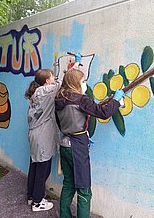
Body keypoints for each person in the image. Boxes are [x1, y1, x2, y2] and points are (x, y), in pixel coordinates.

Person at [55, 65, 125, 218]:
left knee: (68, 183)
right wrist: (116, 100)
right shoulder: (81, 99)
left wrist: (81, 132)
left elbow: (60, 123)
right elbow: (103, 113)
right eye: (83, 81)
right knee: (84, 189)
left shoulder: (59, 99)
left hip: (65, 144)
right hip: (77, 146)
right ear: (75, 83)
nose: (85, 83)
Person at [25, 69, 61, 212]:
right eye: (52, 76)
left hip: (35, 135)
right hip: (42, 136)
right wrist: (75, 64)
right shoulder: (47, 91)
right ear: (47, 81)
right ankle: (38, 202)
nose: (54, 78)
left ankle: (31, 196)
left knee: (34, 166)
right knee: (42, 170)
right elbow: (63, 83)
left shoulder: (36, 93)